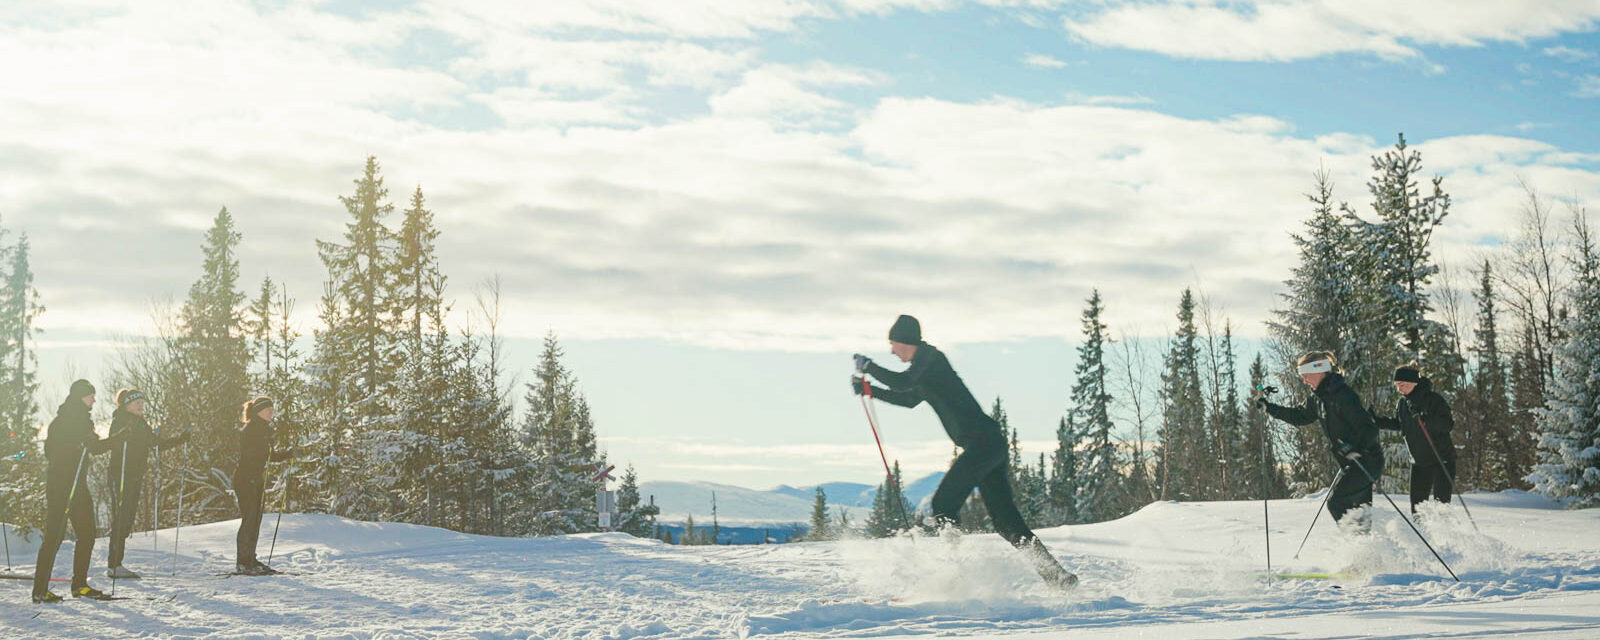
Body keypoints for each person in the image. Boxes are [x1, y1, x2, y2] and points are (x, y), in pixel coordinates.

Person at [852, 315, 1078, 589]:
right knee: (1007, 523)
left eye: (893, 344)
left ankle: (958, 576)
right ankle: (1058, 578)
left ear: (905, 340)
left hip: (984, 444)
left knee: (943, 506)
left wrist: (870, 367)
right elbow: (909, 398)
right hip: (987, 445)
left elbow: (902, 383)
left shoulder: (930, 359)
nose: (891, 350)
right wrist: (869, 390)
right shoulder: (924, 370)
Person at [1258, 351, 1384, 530]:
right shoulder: (1318, 399)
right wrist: (1270, 408)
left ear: (1320, 371)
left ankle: (1360, 546)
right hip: (1351, 464)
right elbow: (1300, 416)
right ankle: (1368, 552)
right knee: (1359, 512)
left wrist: (1352, 446)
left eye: (1306, 376)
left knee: (1337, 503)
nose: (1304, 381)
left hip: (1367, 461)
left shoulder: (1344, 396)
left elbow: (1369, 428)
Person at [32, 380, 126, 602]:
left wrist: (117, 439)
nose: (94, 399)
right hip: (61, 485)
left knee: (87, 533)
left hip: (79, 484)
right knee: (54, 536)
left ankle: (80, 585)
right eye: (90, 395)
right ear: (80, 396)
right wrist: (76, 446)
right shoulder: (62, 422)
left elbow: (94, 448)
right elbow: (52, 452)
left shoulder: (85, 421)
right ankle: (40, 590)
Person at [105, 389, 189, 579]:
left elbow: (156, 443)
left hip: (135, 475)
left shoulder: (140, 423)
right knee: (121, 517)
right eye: (137, 403)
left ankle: (117, 563)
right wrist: (123, 436)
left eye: (142, 402)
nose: (141, 405)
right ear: (126, 405)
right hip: (121, 475)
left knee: (127, 519)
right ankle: (114, 564)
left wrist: (180, 439)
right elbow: (113, 442)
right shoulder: (120, 420)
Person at [1370, 362, 1457, 514]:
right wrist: (1377, 421)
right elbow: (1400, 424)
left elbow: (1447, 424)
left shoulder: (1433, 399)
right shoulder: (1403, 403)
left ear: (1413, 382)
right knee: (1417, 509)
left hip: (1441, 459)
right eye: (1396, 385)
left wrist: (1425, 419)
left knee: (1441, 508)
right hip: (1419, 462)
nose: (1399, 389)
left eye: (1402, 384)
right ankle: (1420, 534)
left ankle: (1445, 535)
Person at [233, 396, 291, 575]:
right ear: (259, 411)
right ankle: (243, 561)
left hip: (257, 479)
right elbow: (250, 454)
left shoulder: (264, 429)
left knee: (255, 520)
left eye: (272, 410)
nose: (271, 413)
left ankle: (251, 558)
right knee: (249, 519)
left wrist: (285, 455)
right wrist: (268, 448)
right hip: (245, 479)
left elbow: (266, 456)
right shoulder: (251, 429)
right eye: (268, 410)